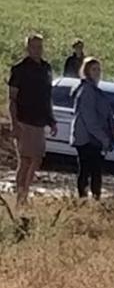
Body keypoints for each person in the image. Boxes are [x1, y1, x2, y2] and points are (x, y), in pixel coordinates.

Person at [7, 34, 57, 207]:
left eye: (40, 46)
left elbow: (47, 97)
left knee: (37, 158)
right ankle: (21, 195)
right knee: (26, 159)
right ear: (27, 48)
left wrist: (52, 120)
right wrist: (14, 123)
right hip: (24, 120)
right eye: (34, 46)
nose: (38, 50)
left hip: (40, 121)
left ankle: (25, 191)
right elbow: (12, 99)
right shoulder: (19, 69)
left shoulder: (46, 68)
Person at [70, 57, 114, 200]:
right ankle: (86, 199)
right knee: (89, 170)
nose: (97, 72)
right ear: (86, 71)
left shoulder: (94, 90)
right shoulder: (87, 91)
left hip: (92, 138)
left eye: (98, 69)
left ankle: (92, 199)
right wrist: (103, 138)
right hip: (87, 138)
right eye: (93, 69)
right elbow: (90, 120)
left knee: (93, 170)